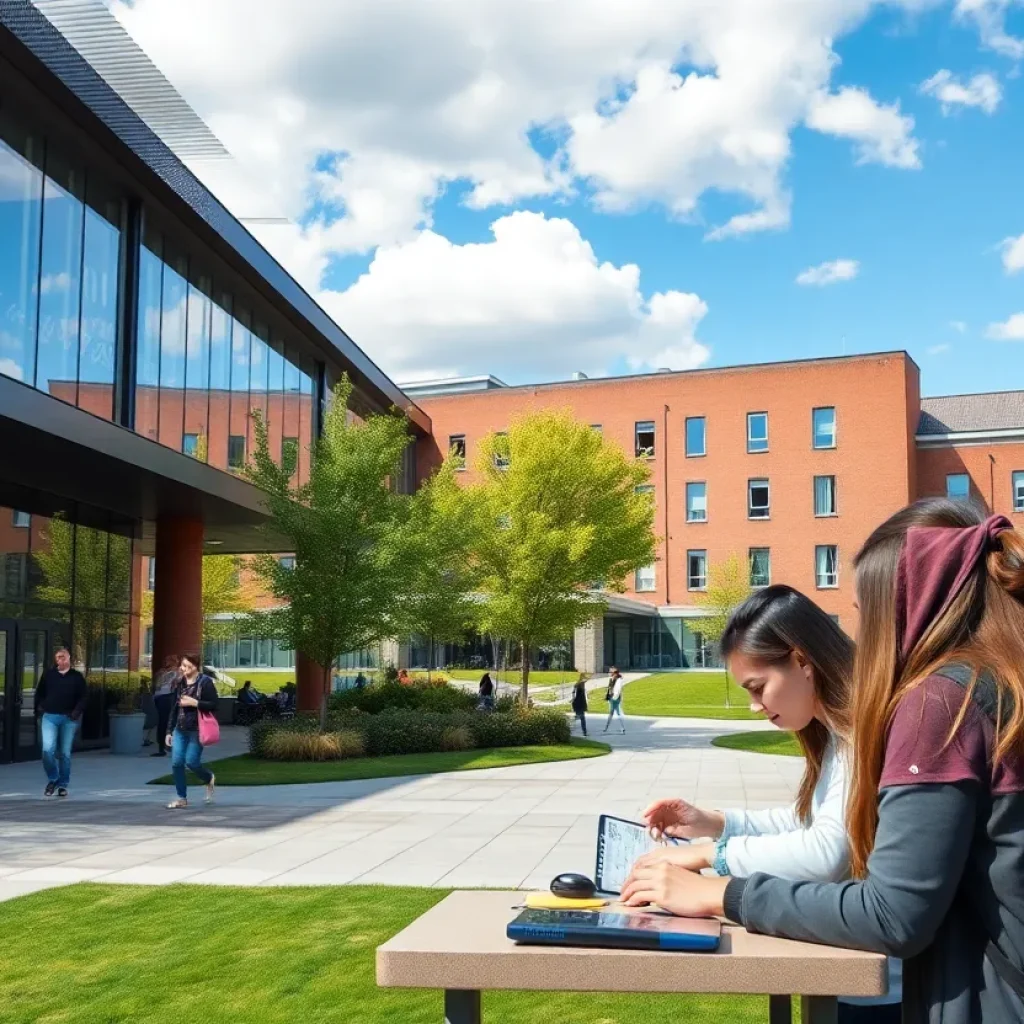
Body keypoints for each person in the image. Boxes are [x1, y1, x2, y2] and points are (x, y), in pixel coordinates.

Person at [622, 498, 1024, 1024]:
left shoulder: (939, 704)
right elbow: (832, 822)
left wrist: (719, 883)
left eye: (870, 612)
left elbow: (887, 908)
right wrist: (717, 827)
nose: (868, 634)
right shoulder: (993, 685)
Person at [633, 584, 900, 1023]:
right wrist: (714, 822)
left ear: (801, 660)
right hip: (860, 976)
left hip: (881, 988)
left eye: (759, 687)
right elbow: (811, 823)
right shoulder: (837, 733)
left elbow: (826, 851)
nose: (755, 706)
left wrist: (710, 857)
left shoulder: (860, 734)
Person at [165, 653, 218, 810]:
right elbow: (174, 708)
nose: (185, 669)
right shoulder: (180, 682)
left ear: (196, 667)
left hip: (197, 729)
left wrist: (195, 703)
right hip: (180, 729)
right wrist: (169, 730)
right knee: (176, 763)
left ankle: (208, 777)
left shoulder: (205, 682)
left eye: (188, 667)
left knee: (191, 762)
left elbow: (214, 704)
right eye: (183, 666)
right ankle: (182, 798)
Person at [34, 646, 87, 798]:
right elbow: (40, 693)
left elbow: (84, 696)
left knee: (64, 753)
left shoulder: (76, 677)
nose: (60, 660)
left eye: (63, 657)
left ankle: (63, 784)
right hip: (50, 716)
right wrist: (40, 709)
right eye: (58, 657)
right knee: (47, 750)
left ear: (69, 658)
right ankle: (53, 778)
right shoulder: (49, 675)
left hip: (68, 718)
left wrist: (76, 712)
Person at [151, 654, 179, 757]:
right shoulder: (162, 671)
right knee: (161, 723)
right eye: (165, 660)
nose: (165, 662)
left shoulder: (177, 672)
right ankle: (161, 747)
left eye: (168, 660)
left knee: (165, 722)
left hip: (167, 698)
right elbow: (155, 683)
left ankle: (167, 746)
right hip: (158, 697)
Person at [603, 667, 625, 734]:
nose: (609, 673)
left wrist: (613, 696)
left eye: (610, 672)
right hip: (612, 698)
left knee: (612, 713)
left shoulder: (618, 680)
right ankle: (622, 727)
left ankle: (607, 727)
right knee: (614, 713)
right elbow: (610, 688)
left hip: (614, 698)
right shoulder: (611, 679)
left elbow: (618, 690)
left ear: (614, 673)